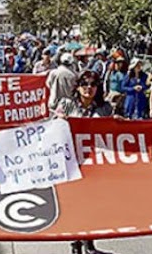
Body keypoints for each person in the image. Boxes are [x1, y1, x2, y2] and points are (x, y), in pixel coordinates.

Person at [52, 70, 114, 254]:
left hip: (95, 164)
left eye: (93, 85)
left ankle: (89, 241)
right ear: (78, 87)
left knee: (91, 204)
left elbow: (113, 131)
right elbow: (51, 128)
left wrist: (118, 123)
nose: (89, 88)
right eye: (85, 84)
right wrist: (59, 120)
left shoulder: (105, 108)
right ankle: (75, 243)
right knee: (74, 205)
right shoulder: (66, 104)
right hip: (72, 162)